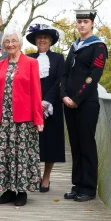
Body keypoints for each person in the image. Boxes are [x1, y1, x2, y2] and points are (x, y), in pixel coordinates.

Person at [0, 31, 43, 206]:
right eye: (6, 41)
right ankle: (8, 190)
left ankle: (21, 191)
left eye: (13, 41)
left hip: (23, 120)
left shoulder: (31, 63)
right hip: (2, 119)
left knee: (21, 155)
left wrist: (38, 119)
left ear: (20, 43)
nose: (10, 44)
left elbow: (36, 92)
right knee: (4, 154)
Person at [61, 9, 108, 202]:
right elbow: (65, 74)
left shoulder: (98, 46)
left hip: (86, 103)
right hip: (68, 102)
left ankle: (88, 188)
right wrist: (63, 95)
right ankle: (77, 184)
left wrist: (77, 99)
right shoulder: (74, 47)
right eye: (79, 22)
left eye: (85, 22)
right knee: (75, 145)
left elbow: (93, 76)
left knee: (86, 144)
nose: (81, 25)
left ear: (92, 24)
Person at [26, 24, 65, 193]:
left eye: (45, 38)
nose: (42, 40)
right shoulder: (27, 57)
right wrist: (34, 102)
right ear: (35, 40)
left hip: (52, 105)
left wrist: (47, 101)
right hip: (30, 105)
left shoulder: (58, 58)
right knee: (32, 142)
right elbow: (24, 82)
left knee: (50, 143)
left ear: (50, 41)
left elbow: (60, 81)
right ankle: (34, 175)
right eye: (39, 37)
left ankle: (46, 178)